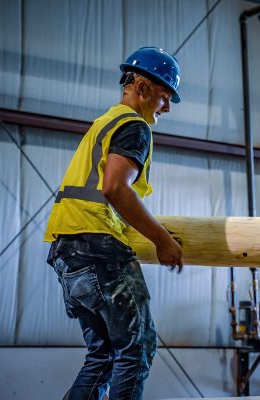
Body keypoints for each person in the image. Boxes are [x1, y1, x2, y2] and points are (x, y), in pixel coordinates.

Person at [44, 47, 184, 400]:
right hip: (98, 248)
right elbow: (115, 188)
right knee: (136, 352)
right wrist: (162, 240)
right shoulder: (134, 127)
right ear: (141, 87)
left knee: (103, 357)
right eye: (164, 97)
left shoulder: (105, 121)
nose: (166, 108)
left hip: (67, 250)